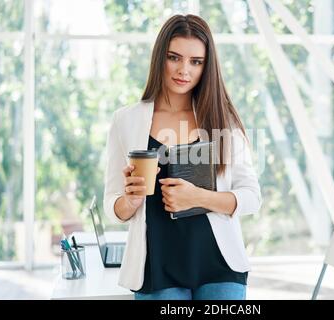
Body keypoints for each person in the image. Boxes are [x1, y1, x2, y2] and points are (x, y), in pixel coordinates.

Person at [103, 14, 262, 300]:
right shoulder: (126, 120)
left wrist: (198, 197)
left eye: (195, 62)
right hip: (158, 268)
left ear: (206, 66)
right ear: (159, 58)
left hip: (220, 266)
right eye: (174, 57)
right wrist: (130, 201)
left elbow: (252, 197)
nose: (183, 70)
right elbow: (112, 204)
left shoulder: (222, 119)